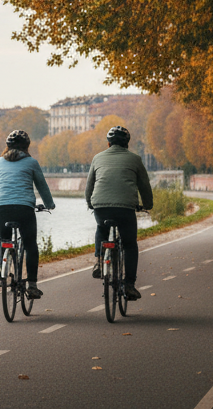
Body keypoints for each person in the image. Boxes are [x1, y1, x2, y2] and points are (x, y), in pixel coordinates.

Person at [85, 125, 154, 301]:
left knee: (101, 228)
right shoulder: (135, 159)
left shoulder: (97, 158)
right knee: (129, 244)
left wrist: (90, 204)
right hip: (125, 208)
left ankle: (99, 262)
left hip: (101, 206)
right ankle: (129, 284)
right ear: (127, 144)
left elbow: (89, 186)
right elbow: (144, 186)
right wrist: (147, 205)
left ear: (108, 144)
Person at [0, 129, 57, 299]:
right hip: (23, 209)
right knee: (30, 243)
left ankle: (0, 267)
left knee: (3, 237)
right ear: (27, 147)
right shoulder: (31, 162)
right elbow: (42, 186)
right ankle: (32, 285)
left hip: (1, 209)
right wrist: (49, 204)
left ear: (7, 146)